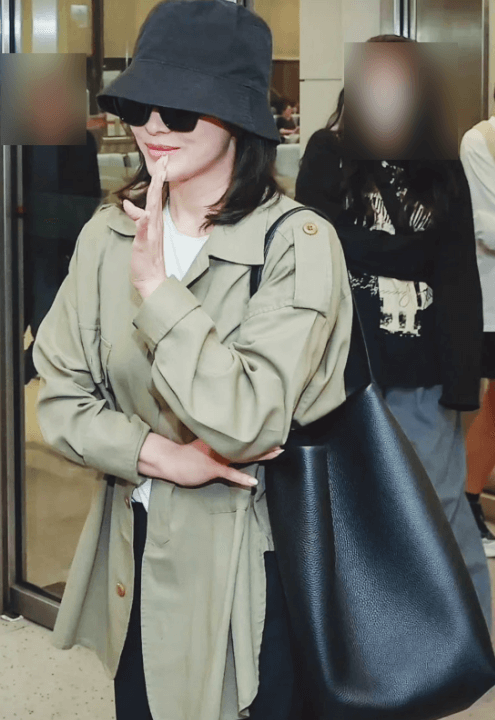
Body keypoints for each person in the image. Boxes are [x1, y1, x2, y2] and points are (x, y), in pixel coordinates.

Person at [32, 2, 353, 719]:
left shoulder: (297, 244)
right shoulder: (109, 233)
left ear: (237, 118)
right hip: (137, 540)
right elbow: (59, 396)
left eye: (178, 110)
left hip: (254, 556)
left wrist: (159, 294)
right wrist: (159, 456)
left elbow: (248, 418)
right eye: (139, 105)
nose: (151, 127)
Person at [295, 34, 492, 631]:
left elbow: (456, 271)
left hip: (423, 370)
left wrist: (463, 380)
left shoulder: (441, 164)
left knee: (438, 508)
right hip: (347, 366)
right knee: (356, 512)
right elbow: (315, 252)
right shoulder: (328, 154)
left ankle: (465, 645)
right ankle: (374, 647)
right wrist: (408, 253)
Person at [23, 130, 102, 383]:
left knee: (49, 319)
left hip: (58, 247)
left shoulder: (81, 140)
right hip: (24, 246)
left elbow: (89, 198)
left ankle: (29, 365)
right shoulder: (15, 143)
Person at [460, 69, 495, 558]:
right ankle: (466, 502)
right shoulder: (481, 141)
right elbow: (487, 226)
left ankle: (467, 502)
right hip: (493, 299)